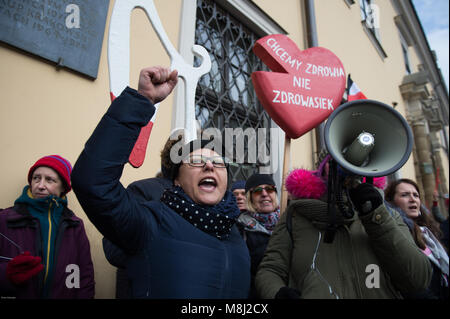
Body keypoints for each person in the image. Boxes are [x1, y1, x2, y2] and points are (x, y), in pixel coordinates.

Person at [71, 66, 250, 298]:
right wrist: (141, 101)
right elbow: (93, 182)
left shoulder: (235, 232)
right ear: (176, 180)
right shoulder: (150, 223)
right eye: (196, 161)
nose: (209, 166)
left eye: (218, 162)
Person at [255, 155, 432, 299]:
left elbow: (418, 279)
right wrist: (277, 294)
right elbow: (270, 270)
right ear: (323, 168)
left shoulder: (387, 215)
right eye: (338, 158)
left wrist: (376, 217)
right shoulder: (296, 215)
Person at [0, 155, 95, 298]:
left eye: (50, 180)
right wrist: (7, 274)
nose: (40, 185)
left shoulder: (75, 225)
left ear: (63, 187)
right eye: (36, 178)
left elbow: (84, 276)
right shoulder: (5, 219)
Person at [384, 178, 448, 299]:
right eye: (404, 195)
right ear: (391, 202)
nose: (412, 199)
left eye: (416, 195)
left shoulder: (428, 233)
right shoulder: (395, 234)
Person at [236, 173, 280, 298]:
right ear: (249, 198)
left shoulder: (289, 222)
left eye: (269, 189)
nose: (264, 194)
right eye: (257, 191)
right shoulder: (240, 228)